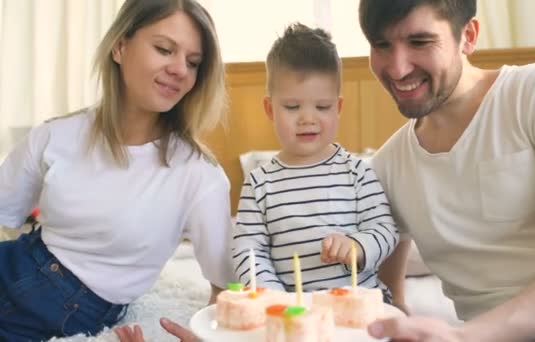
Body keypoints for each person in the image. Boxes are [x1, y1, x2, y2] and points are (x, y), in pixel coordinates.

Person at [357, 0, 535, 341]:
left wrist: (466, 337)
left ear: (468, 36)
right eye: (381, 44)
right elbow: (392, 299)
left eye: (420, 42)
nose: (398, 68)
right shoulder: (386, 166)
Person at [0, 0, 234, 340]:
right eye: (164, 49)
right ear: (120, 47)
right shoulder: (56, 135)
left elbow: (226, 285)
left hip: (67, 311)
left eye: (193, 63)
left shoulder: (200, 176)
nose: (180, 69)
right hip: (17, 262)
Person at [232, 23, 399, 301]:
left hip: (359, 305)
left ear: (338, 108)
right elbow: (248, 251)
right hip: (292, 310)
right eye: (292, 107)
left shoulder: (357, 172)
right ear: (270, 109)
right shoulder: (259, 183)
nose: (307, 118)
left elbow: (385, 230)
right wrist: (276, 299)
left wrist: (358, 245)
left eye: (322, 107)